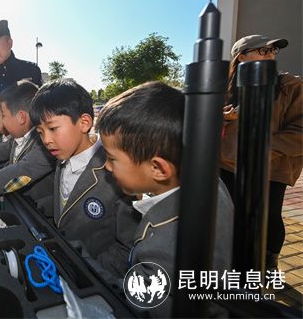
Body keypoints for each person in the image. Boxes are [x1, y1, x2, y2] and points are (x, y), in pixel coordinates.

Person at [96, 82, 233, 317]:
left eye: (111, 158)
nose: (106, 167)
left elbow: (137, 303)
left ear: (158, 169)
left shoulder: (167, 248)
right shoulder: (209, 182)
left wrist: (82, 266)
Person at [219, 34, 303, 271]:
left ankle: (268, 263)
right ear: (241, 56)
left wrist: (263, 148)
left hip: (271, 167)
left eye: (273, 51)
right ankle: (234, 263)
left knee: (269, 217)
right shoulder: (224, 87)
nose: (271, 55)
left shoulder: (290, 86)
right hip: (228, 164)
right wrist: (223, 118)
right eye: (264, 50)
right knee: (231, 215)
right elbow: (201, 121)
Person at [29, 79, 135, 260]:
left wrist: (90, 269)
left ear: (84, 123)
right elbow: (69, 203)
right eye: (40, 132)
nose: (46, 140)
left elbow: (127, 248)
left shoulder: (118, 173)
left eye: (53, 128)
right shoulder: (62, 154)